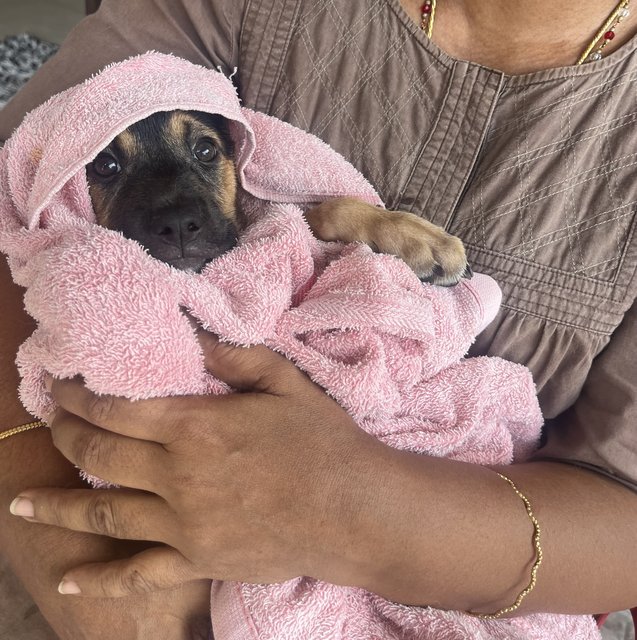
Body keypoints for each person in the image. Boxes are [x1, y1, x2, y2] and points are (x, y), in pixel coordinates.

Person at [0, 0, 636, 638]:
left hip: (458, 572)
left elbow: (621, 512)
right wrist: (80, 576)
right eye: (110, 169)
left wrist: (344, 513)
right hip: (95, 532)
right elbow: (18, 187)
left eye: (200, 152)